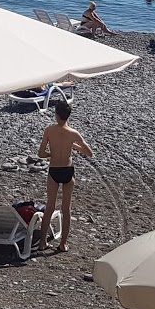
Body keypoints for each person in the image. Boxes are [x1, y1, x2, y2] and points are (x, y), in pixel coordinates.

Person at [36, 100, 92, 253]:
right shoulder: (73, 133)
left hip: (54, 169)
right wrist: (73, 146)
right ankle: (63, 244)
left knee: (50, 207)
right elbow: (89, 152)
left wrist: (50, 154)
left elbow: (40, 154)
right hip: (67, 170)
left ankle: (42, 243)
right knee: (66, 208)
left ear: (56, 115)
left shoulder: (49, 130)